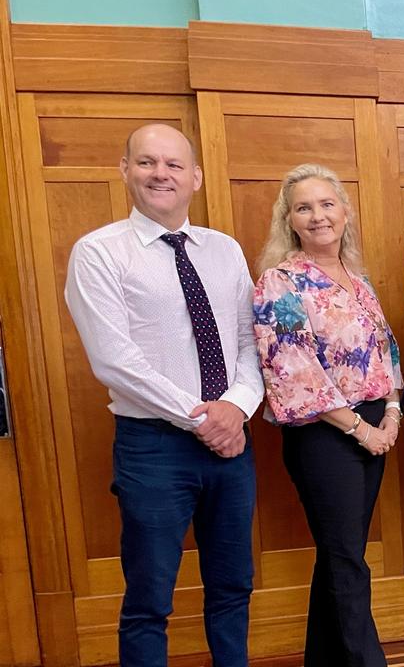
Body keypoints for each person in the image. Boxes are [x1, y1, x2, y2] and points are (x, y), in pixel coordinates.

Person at [64, 124, 263, 666]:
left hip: (232, 444)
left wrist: (237, 408)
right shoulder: (99, 253)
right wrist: (203, 417)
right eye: (147, 162)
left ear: (195, 177)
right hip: (154, 449)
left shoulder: (225, 251)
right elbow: (114, 360)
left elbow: (250, 340)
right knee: (150, 601)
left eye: (174, 165)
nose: (161, 174)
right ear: (125, 169)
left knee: (233, 587)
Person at [253, 164, 402, 666]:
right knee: (347, 561)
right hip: (326, 436)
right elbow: (292, 368)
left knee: (341, 557)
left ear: (344, 211)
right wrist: (362, 429)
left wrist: (393, 416)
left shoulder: (356, 281)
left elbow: (385, 350)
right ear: (289, 220)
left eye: (326, 204)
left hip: (375, 427)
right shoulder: (281, 282)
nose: (318, 216)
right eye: (304, 207)